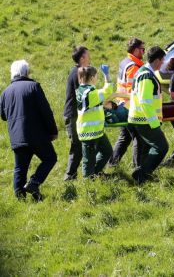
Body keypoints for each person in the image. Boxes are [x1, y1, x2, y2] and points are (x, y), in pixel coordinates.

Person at [0, 60, 58, 201]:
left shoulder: (5, 92)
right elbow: (46, 111)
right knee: (50, 158)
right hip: (37, 135)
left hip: (17, 137)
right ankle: (34, 182)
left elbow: (3, 116)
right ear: (26, 72)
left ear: (12, 74)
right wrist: (53, 131)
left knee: (20, 168)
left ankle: (20, 199)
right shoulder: (33, 86)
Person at [127, 46, 168, 183]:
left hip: (141, 119)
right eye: (162, 60)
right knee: (162, 147)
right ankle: (142, 173)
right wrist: (154, 123)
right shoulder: (146, 75)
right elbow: (145, 102)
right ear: (157, 60)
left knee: (147, 148)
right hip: (144, 120)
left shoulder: (145, 73)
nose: (163, 63)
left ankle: (142, 175)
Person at [109, 37, 145, 168]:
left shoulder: (125, 61)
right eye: (142, 49)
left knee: (125, 137)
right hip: (129, 107)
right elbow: (133, 91)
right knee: (139, 138)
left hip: (121, 105)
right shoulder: (133, 67)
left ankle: (112, 164)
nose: (144, 52)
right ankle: (138, 169)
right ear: (135, 50)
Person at [75, 66, 115, 178]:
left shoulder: (83, 91)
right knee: (88, 161)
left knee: (107, 151)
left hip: (97, 131)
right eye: (97, 76)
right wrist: (107, 75)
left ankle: (95, 173)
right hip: (90, 134)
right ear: (92, 77)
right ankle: (88, 183)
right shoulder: (89, 94)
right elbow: (108, 91)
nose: (97, 78)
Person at [64, 45, 90, 180]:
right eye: (88, 55)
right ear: (82, 58)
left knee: (81, 145)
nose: (90, 58)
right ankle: (69, 176)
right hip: (73, 115)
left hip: (75, 114)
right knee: (77, 147)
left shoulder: (77, 71)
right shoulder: (78, 73)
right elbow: (83, 95)